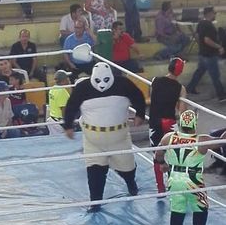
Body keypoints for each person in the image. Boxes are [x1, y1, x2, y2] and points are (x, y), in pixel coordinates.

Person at [64, 61, 146, 212]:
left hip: (119, 137)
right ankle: (95, 202)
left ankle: (131, 183)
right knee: (95, 171)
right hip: (93, 139)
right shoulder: (83, 87)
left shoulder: (123, 84)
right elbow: (71, 105)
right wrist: (68, 125)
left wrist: (140, 114)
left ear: (111, 77)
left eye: (106, 80)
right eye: (98, 81)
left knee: (127, 168)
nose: (102, 85)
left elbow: (138, 96)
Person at [155, 109, 226, 225]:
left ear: (180, 123)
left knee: (177, 209)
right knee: (201, 208)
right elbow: (222, 141)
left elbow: (158, 153)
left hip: (174, 178)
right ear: (194, 124)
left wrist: (162, 164)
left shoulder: (168, 137)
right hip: (193, 180)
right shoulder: (202, 140)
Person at [149, 57, 186, 194]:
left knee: (156, 153)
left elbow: (153, 98)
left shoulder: (155, 81)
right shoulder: (180, 88)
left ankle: (160, 188)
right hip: (170, 122)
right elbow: (182, 111)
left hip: (154, 121)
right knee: (173, 154)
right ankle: (173, 184)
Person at [186, 7, 226, 101]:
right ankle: (221, 95)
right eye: (214, 13)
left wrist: (201, 46)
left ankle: (190, 88)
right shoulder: (208, 25)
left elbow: (197, 36)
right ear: (209, 13)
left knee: (199, 72)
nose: (215, 15)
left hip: (202, 53)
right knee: (215, 76)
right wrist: (219, 47)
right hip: (210, 55)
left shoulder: (200, 23)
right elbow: (207, 40)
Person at [47, 69, 71, 135]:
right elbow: (64, 109)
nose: (69, 79)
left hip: (52, 120)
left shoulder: (52, 89)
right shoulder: (62, 91)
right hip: (59, 122)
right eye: (67, 78)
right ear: (63, 80)